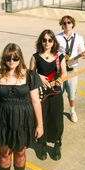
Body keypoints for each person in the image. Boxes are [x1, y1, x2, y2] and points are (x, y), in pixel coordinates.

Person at [30, 30, 67, 161]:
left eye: (50, 40)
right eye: (44, 40)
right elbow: (30, 74)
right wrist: (38, 76)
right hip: (41, 95)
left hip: (56, 93)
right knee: (42, 119)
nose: (47, 43)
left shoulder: (59, 56)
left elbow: (64, 74)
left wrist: (60, 80)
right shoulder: (35, 57)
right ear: (41, 41)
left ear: (53, 42)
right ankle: (42, 145)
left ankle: (57, 144)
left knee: (57, 119)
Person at [56, 15, 85, 123]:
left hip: (72, 70)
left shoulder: (79, 38)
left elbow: (82, 51)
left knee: (72, 93)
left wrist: (83, 54)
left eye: (69, 22)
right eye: (64, 23)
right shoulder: (57, 37)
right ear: (61, 25)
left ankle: (72, 111)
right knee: (58, 93)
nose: (67, 25)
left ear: (72, 24)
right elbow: (52, 51)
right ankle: (58, 111)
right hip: (60, 71)